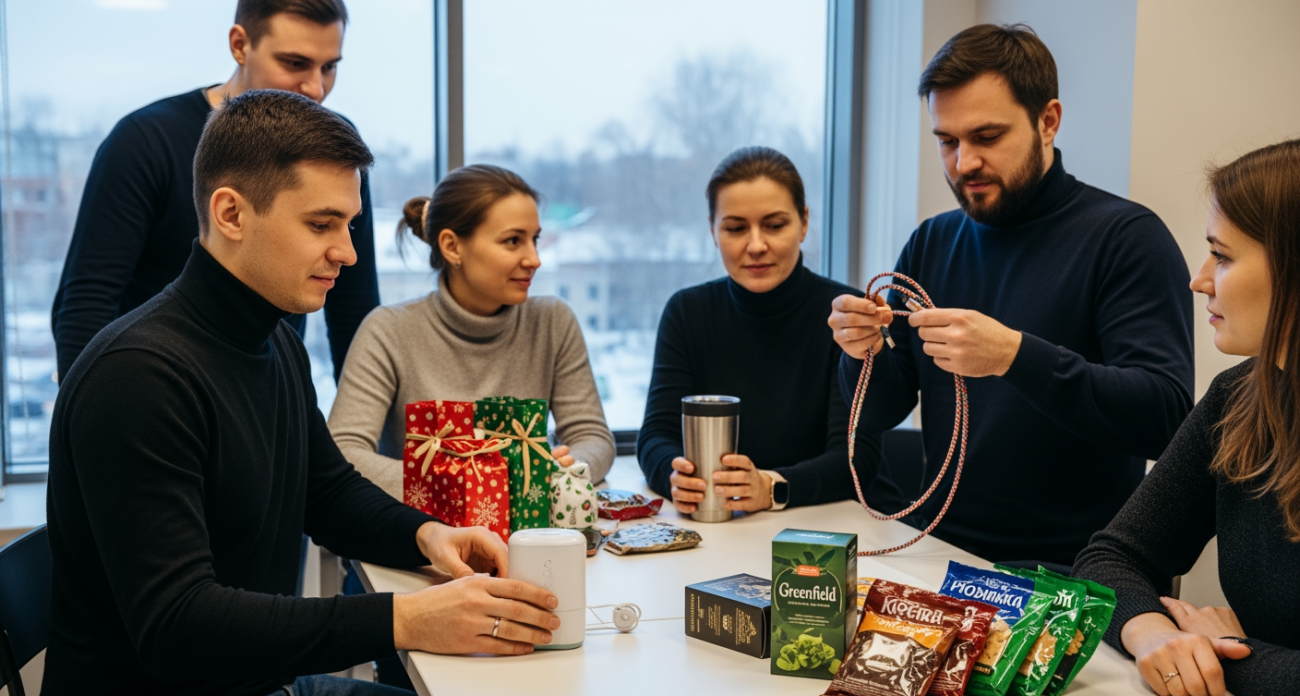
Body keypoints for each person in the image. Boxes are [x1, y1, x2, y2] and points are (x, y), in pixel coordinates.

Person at [43, 90, 560, 696]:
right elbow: (178, 625)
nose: (346, 251)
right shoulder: (139, 376)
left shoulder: (274, 340)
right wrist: (407, 618)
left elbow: (325, 491)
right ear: (232, 214)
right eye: (321, 224)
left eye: (349, 224)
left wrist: (425, 535)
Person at [827, 24, 1195, 568]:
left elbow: (1164, 419)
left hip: (1077, 571)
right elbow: (882, 409)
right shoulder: (932, 241)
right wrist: (862, 352)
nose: (963, 163)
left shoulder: (1127, 239)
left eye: (987, 137)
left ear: (1048, 121)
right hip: (938, 552)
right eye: (947, 141)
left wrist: (1014, 356)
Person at [1075, 139, 1300, 696]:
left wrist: (1237, 656)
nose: (1200, 279)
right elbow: (1112, 556)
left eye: (1222, 256)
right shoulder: (1239, 397)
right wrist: (1152, 632)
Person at [51, 0, 378, 382]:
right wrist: (97, 422)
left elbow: (353, 310)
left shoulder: (336, 150)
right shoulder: (145, 142)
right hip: (158, 392)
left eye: (330, 67)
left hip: (267, 394)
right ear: (240, 45)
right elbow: (86, 303)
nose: (316, 88)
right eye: (294, 63)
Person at [638, 146, 902, 515]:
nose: (756, 245)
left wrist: (772, 487)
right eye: (735, 228)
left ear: (804, 223)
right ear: (713, 230)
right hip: (731, 530)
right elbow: (655, 436)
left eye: (775, 225)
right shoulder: (687, 312)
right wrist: (675, 476)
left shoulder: (845, 315)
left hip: (845, 526)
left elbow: (855, 460)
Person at [328, 164, 616, 497]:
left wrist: (568, 467)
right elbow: (345, 453)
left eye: (534, 240)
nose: (534, 259)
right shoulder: (388, 330)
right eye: (513, 241)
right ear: (451, 247)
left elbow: (593, 437)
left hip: (531, 540)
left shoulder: (553, 321)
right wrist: (466, 482)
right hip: (422, 539)